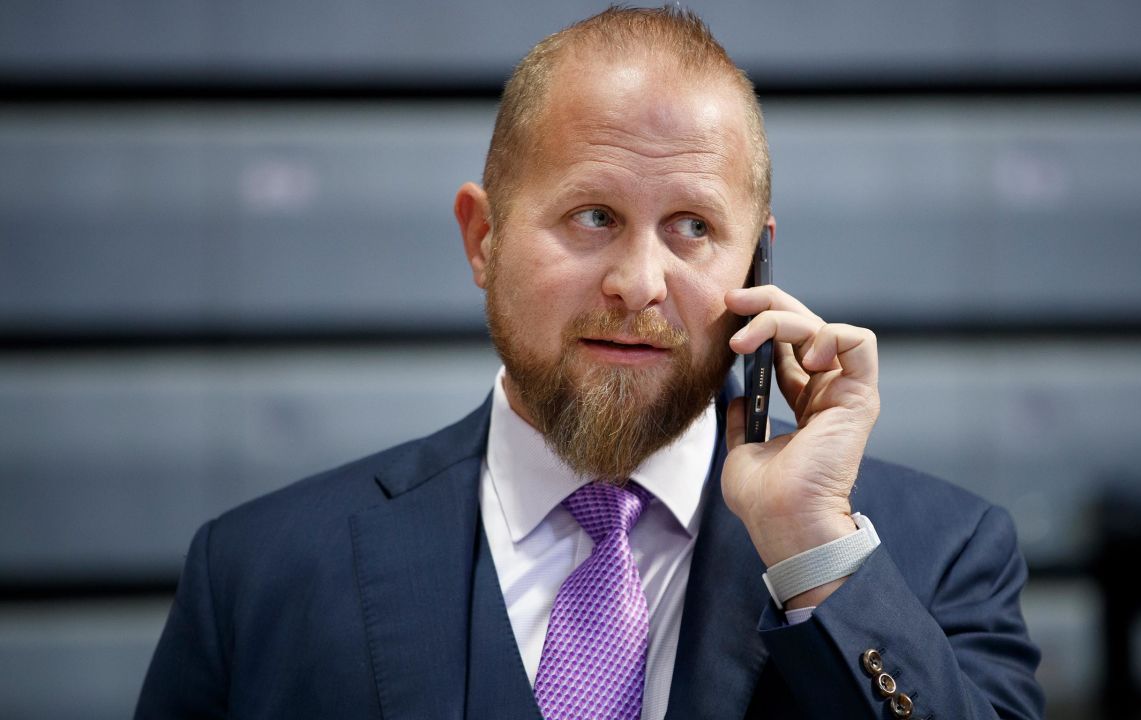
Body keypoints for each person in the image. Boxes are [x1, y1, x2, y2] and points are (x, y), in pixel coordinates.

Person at [136, 7, 1043, 719]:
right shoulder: (257, 576)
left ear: (757, 266)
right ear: (482, 238)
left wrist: (813, 551)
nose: (639, 283)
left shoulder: (935, 556)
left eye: (693, 228)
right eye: (593, 217)